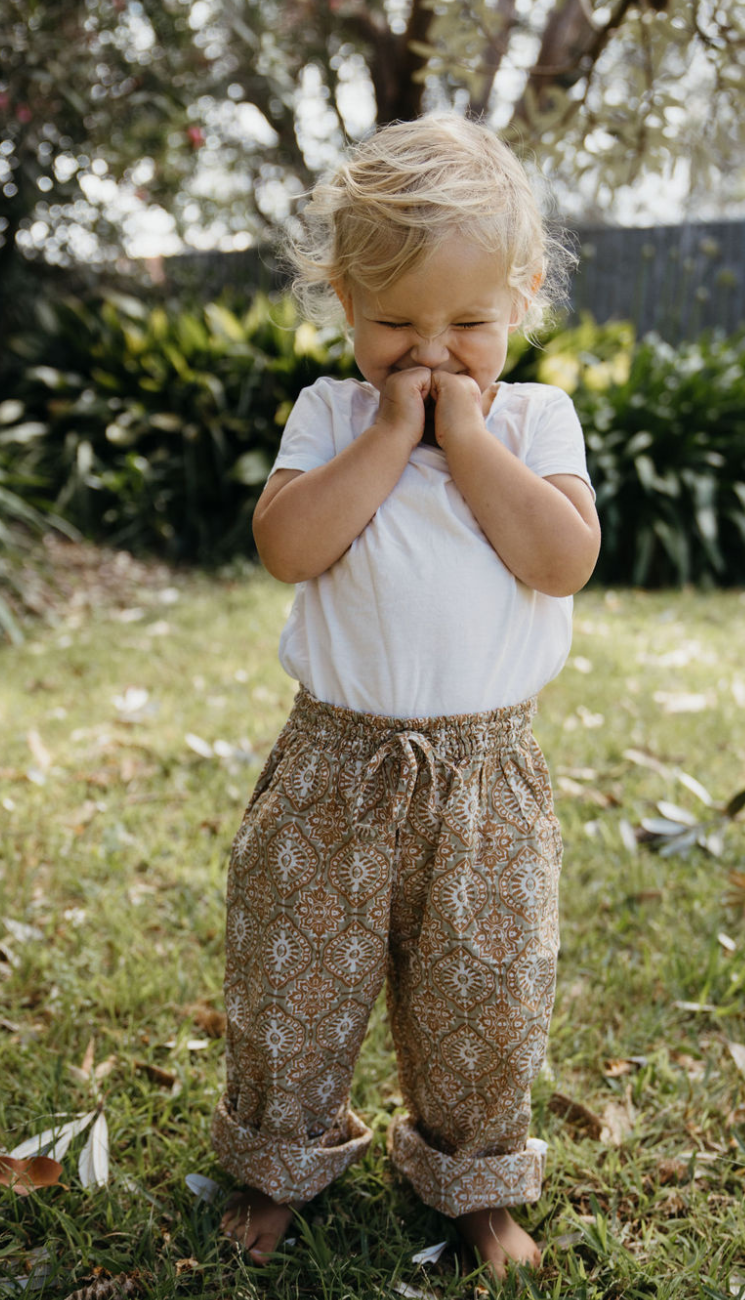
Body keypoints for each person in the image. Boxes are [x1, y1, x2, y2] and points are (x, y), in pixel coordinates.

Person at [212, 112, 600, 1281]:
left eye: (468, 325)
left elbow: (560, 559)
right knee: (294, 977)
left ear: (521, 300)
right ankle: (276, 1161)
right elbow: (288, 545)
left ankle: (474, 1179)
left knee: (486, 991)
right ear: (341, 301)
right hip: (335, 764)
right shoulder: (333, 416)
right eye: (395, 325)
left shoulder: (534, 423)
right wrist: (391, 429)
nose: (431, 355)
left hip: (487, 776)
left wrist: (469, 440)